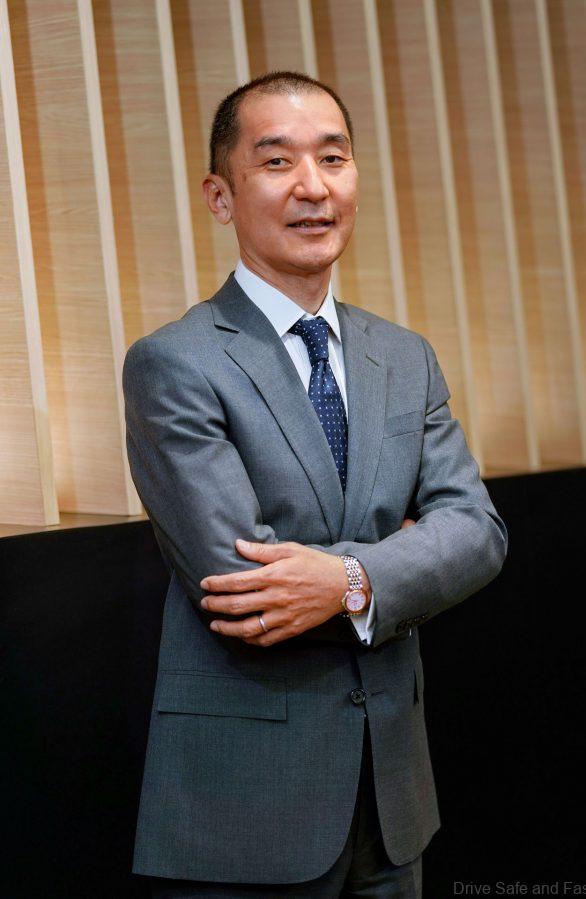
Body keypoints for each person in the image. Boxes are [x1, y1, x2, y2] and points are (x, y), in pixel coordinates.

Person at [122, 71, 508, 898]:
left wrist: (348, 578)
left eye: (333, 158)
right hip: (245, 810)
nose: (313, 186)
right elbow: (243, 585)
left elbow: (478, 532)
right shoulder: (175, 363)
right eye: (277, 162)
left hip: (394, 802)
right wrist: (404, 557)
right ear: (220, 197)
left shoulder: (405, 357)